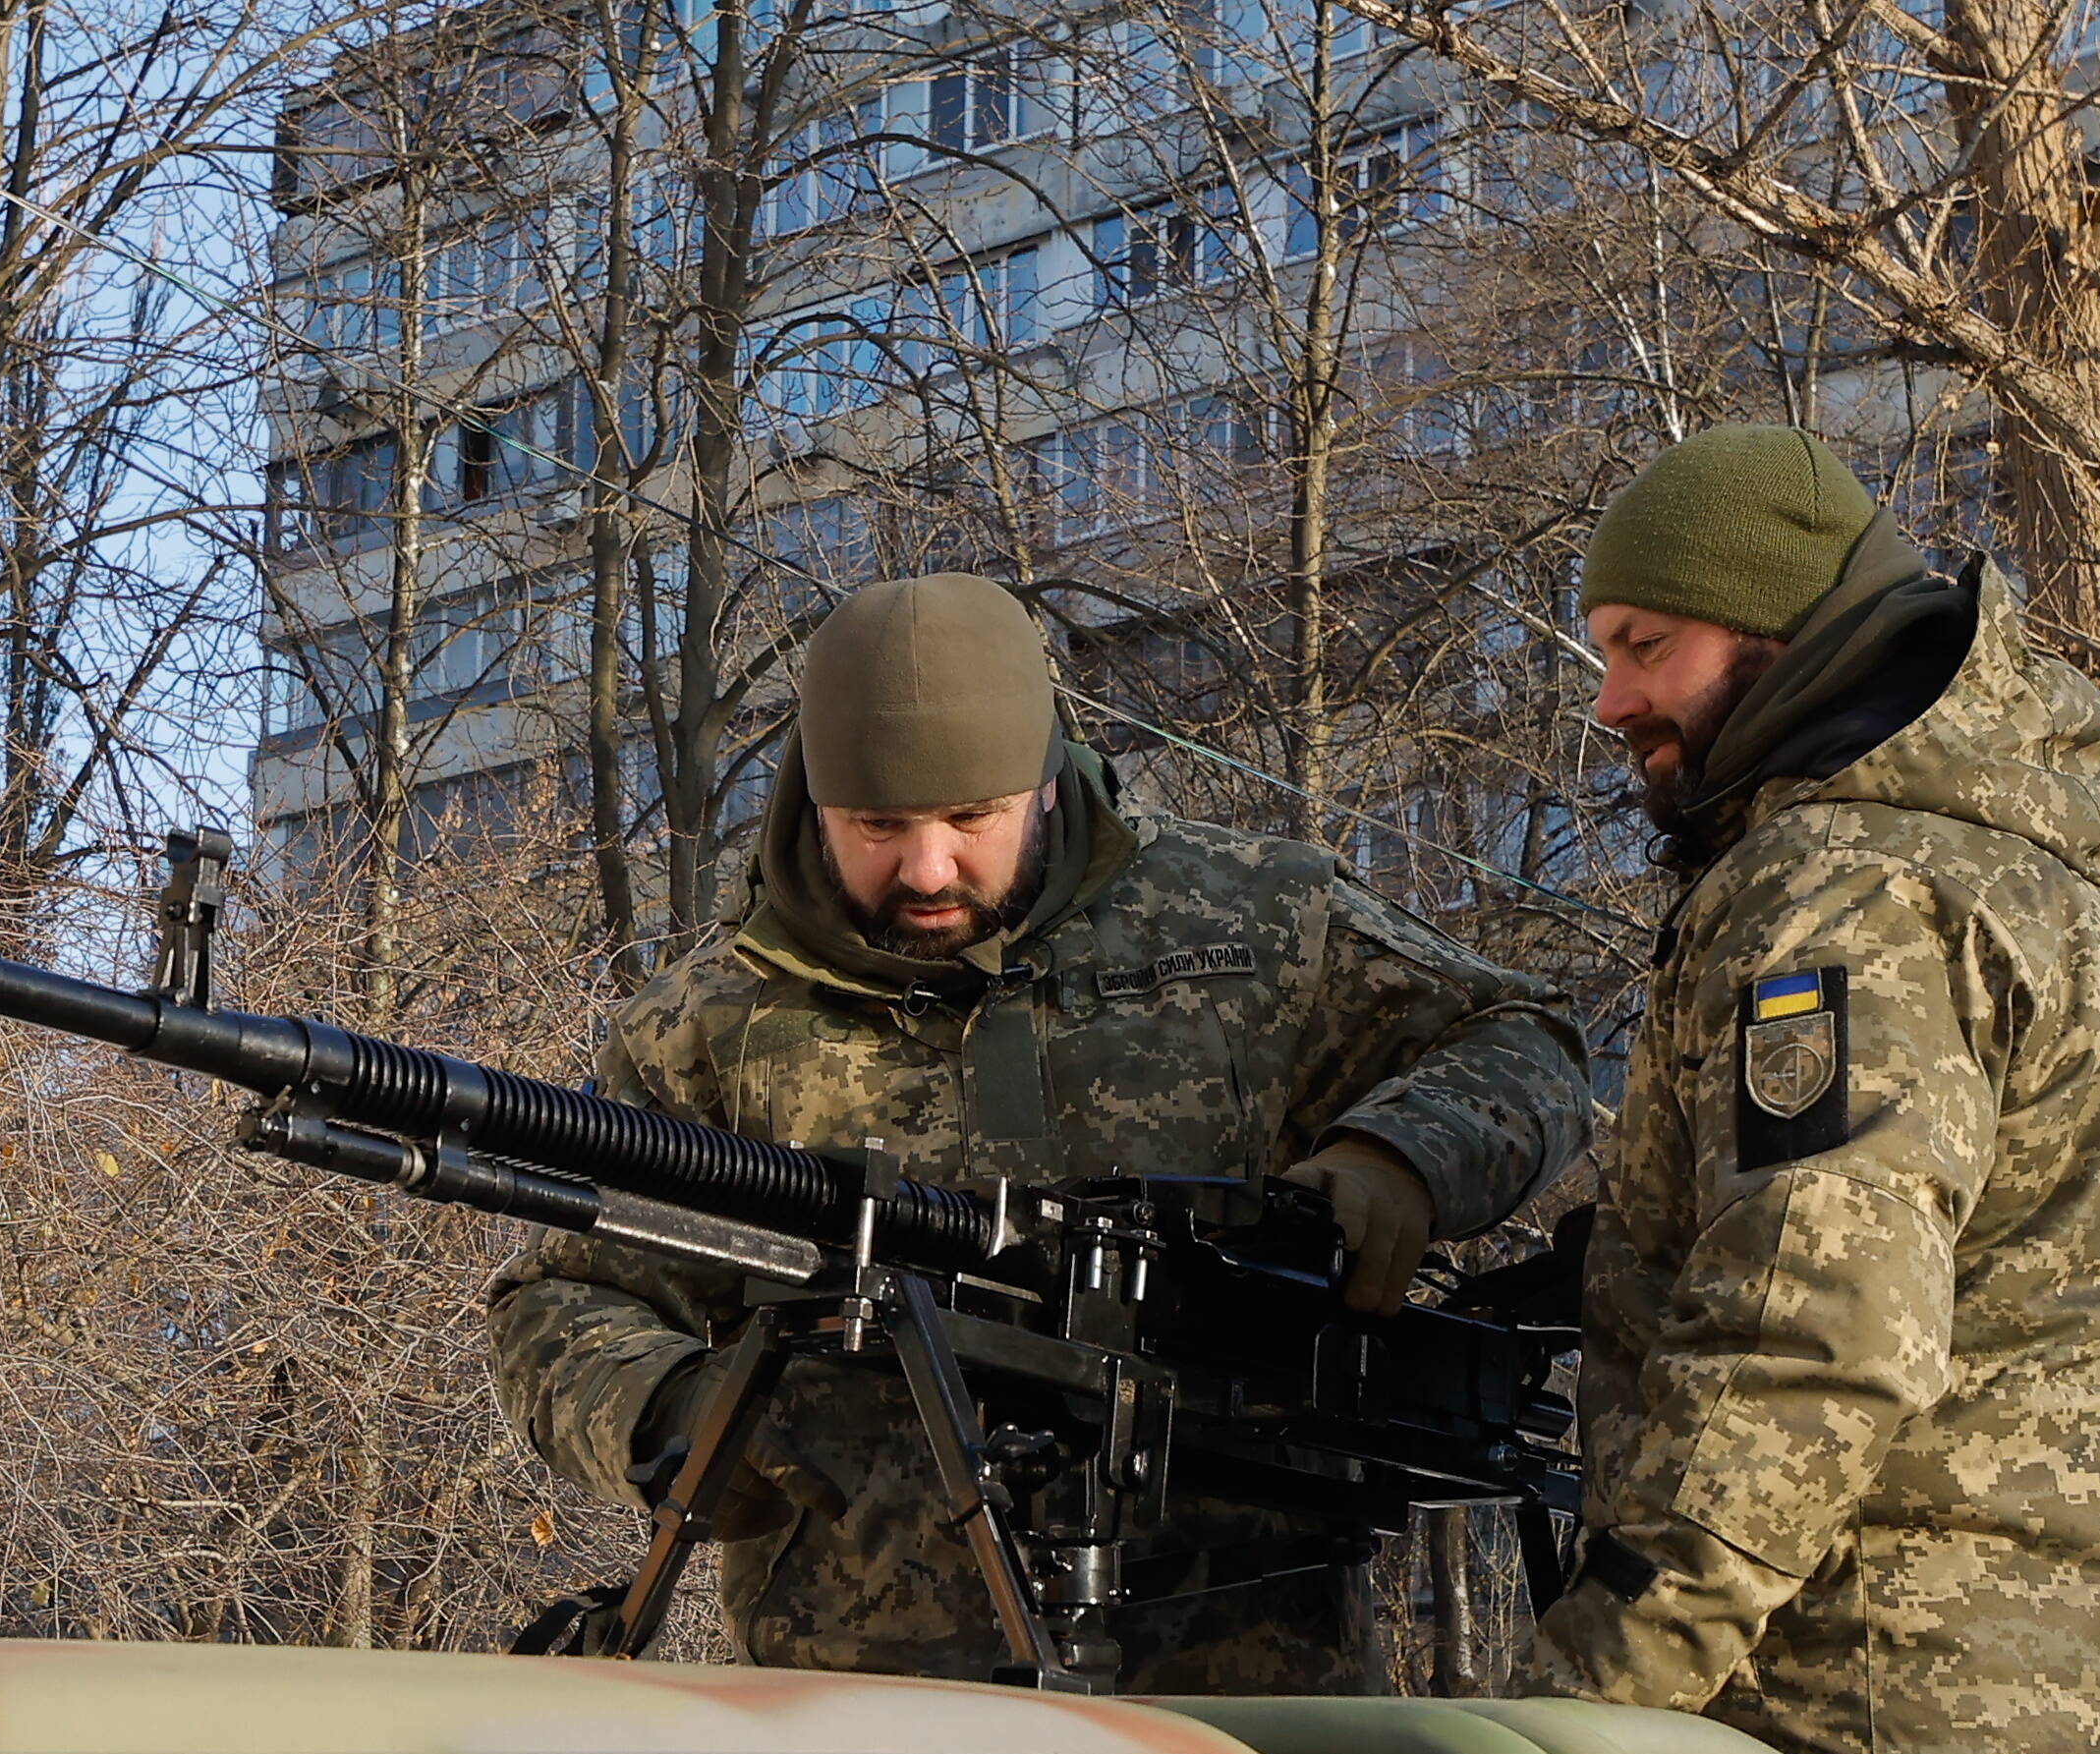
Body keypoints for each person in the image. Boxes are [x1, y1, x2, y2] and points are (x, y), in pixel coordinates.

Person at [493, 571, 1589, 1693]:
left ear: (1046, 788)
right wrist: (674, 1419)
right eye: (876, 827)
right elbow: (563, 1295)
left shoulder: (1249, 920)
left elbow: (1525, 1042)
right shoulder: (706, 1026)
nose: (926, 870)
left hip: (1246, 1694)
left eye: (970, 819)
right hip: (856, 1704)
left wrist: (1397, 1163)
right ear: (812, 802)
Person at [1527, 425, 2100, 1754]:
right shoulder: (1979, 855)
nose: (1610, 703)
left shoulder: (1850, 895)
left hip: (1917, 1733)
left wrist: (1585, 1704)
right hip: (1987, 1715)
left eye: (1644, 649)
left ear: (1772, 631)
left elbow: (1807, 1343)